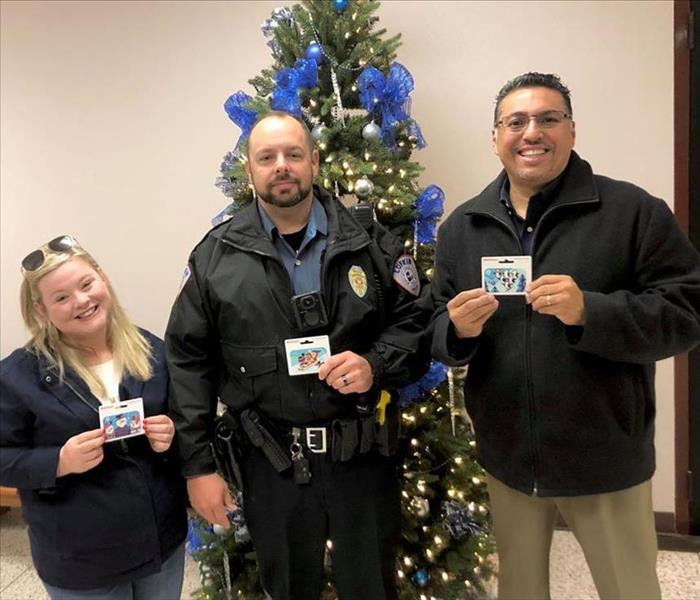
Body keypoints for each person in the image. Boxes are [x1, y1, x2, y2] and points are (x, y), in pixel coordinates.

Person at [429, 72, 700, 600]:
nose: (532, 132)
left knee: (630, 591)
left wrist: (588, 313)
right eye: (516, 121)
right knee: (521, 591)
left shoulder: (633, 213)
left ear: (571, 132)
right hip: (507, 458)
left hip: (604, 458)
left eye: (548, 119)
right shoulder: (462, 228)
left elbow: (687, 313)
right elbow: (433, 325)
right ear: (496, 137)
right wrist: (456, 331)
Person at [165, 111, 429, 600]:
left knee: (372, 587)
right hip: (273, 461)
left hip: (362, 451)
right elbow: (187, 363)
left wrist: (375, 365)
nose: (281, 166)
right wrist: (198, 468)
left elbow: (416, 322)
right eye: (267, 157)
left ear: (315, 159)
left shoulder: (370, 242)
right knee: (286, 588)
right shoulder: (215, 259)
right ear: (250, 170)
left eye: (292, 154)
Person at [0, 235, 188, 600]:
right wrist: (57, 461)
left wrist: (171, 435)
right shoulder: (18, 377)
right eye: (61, 297)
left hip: (161, 545)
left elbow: (185, 426)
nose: (81, 301)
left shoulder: (150, 350)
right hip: (81, 564)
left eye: (86, 284)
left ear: (102, 278)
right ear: (41, 310)